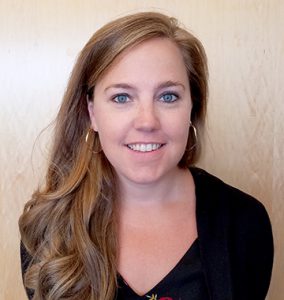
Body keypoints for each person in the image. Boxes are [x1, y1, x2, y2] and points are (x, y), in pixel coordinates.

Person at [19, 11, 273, 300]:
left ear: (193, 105)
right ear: (92, 113)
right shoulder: (48, 228)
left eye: (168, 96)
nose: (147, 122)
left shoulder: (244, 223)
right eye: (122, 97)